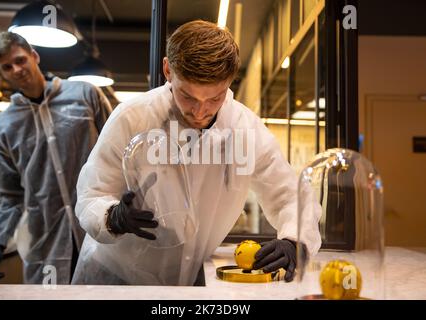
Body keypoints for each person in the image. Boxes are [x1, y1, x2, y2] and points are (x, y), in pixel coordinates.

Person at [72, 20, 321, 286]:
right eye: (188, 96)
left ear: (230, 82)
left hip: (186, 280)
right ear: (168, 70)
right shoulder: (132, 118)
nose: (200, 112)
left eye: (215, 98)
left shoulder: (245, 129)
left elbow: (289, 196)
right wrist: (113, 217)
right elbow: (92, 195)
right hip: (115, 275)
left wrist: (293, 240)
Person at [0, 32, 112, 284]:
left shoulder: (85, 95)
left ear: (34, 56)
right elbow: (9, 194)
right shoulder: (5, 125)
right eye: (7, 67)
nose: (16, 69)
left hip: (99, 228)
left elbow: (118, 152)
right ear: (1, 72)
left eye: (20, 60)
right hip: (47, 237)